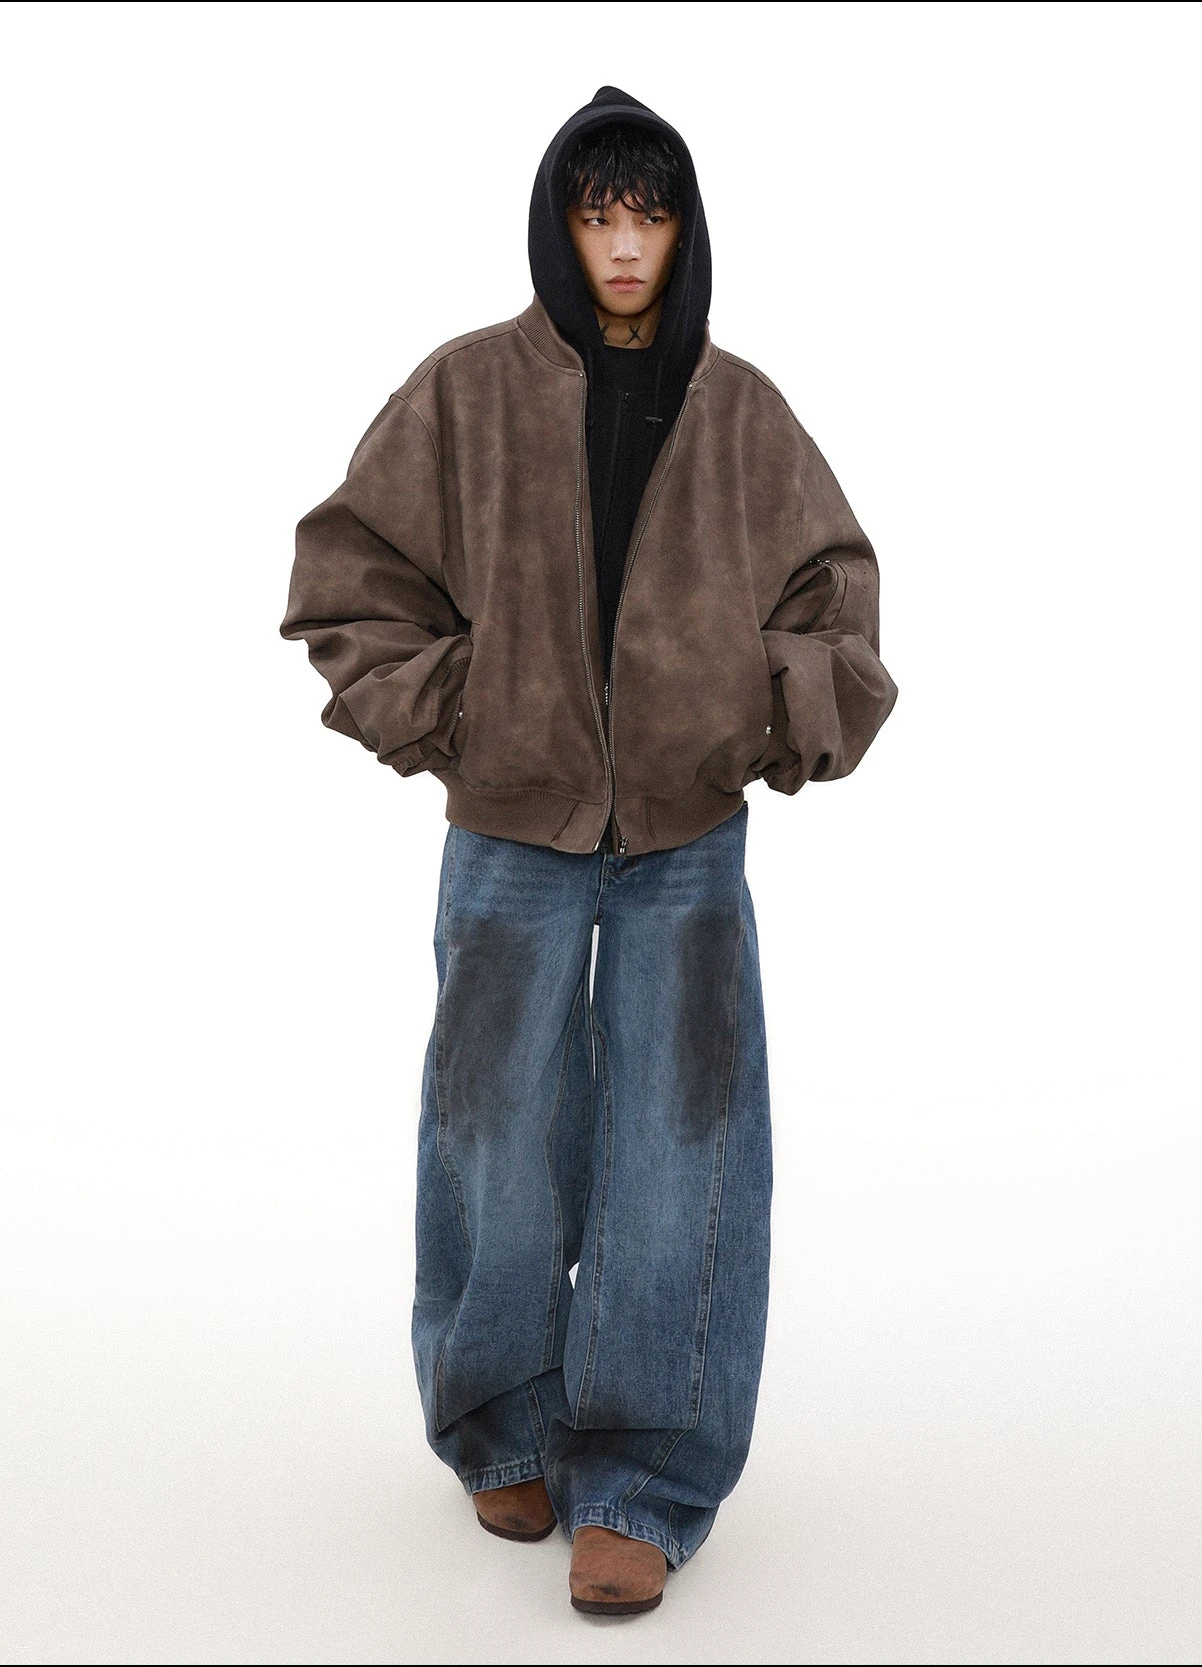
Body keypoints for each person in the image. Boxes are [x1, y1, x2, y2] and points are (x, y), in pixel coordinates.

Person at [279, 84, 898, 1617]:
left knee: (681, 1148)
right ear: (560, 225)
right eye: (598, 212)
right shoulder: (465, 392)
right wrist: (464, 712)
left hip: (686, 834)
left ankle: (644, 1477)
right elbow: (346, 581)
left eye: (651, 215)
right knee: (493, 1126)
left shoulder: (742, 413)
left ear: (686, 233)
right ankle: (501, 1418)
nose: (624, 244)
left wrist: (760, 711)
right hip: (510, 824)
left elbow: (836, 603)